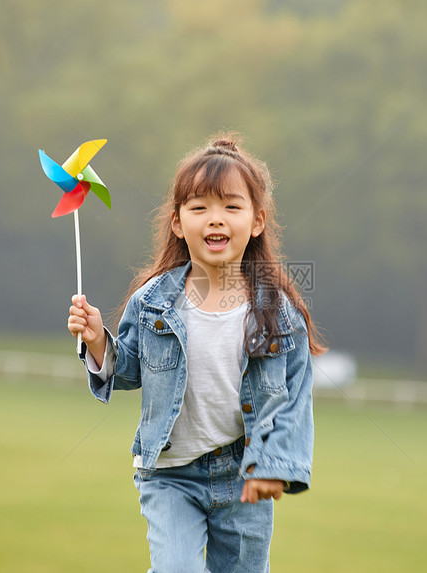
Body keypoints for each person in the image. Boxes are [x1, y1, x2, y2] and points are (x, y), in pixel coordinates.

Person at [67, 133, 326, 573]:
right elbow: (131, 368)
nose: (214, 219)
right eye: (199, 207)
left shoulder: (277, 313)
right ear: (176, 221)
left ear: (257, 221)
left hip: (244, 472)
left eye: (231, 206)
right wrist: (98, 341)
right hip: (170, 474)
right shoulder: (152, 302)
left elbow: (293, 397)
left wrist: (274, 464)